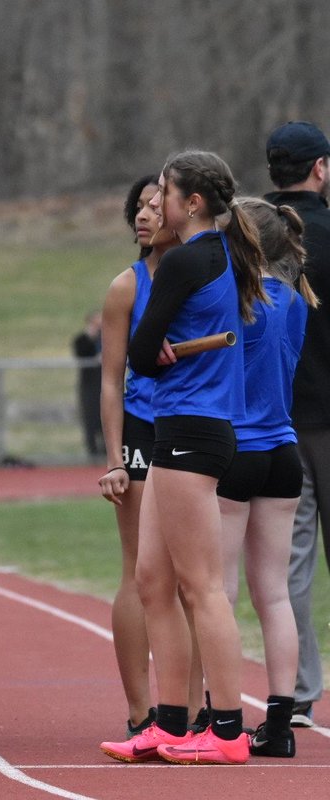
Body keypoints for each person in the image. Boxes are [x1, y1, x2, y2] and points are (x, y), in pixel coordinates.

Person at [100, 150, 267, 766]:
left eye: (162, 193)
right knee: (152, 580)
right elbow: (150, 353)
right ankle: (168, 722)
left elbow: (142, 357)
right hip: (176, 428)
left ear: (191, 203)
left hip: (194, 432)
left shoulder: (189, 260)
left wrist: (160, 347)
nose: (154, 205)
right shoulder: (217, 252)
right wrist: (160, 347)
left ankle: (225, 729)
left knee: (201, 587)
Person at [97, 176, 206, 739]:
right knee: (141, 571)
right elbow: (111, 382)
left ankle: (191, 711)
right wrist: (115, 457)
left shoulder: (208, 274)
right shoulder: (127, 286)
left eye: (153, 204)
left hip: (197, 426)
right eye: (136, 205)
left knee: (194, 577)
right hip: (144, 430)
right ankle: (142, 711)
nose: (142, 214)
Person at [217, 197, 317, 757]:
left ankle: (219, 712)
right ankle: (280, 722)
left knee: (219, 591)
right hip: (283, 449)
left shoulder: (230, 299)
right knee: (274, 594)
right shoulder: (296, 297)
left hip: (235, 448)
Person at [263, 120, 330, 729]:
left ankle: (301, 690)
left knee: (290, 562)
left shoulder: (251, 235)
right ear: (321, 169)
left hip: (274, 419)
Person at [73, 310, 104, 461]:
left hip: (103, 382)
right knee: (90, 415)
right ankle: (92, 451)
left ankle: (105, 450)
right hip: (89, 383)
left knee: (104, 415)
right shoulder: (82, 339)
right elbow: (81, 354)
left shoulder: (104, 337)